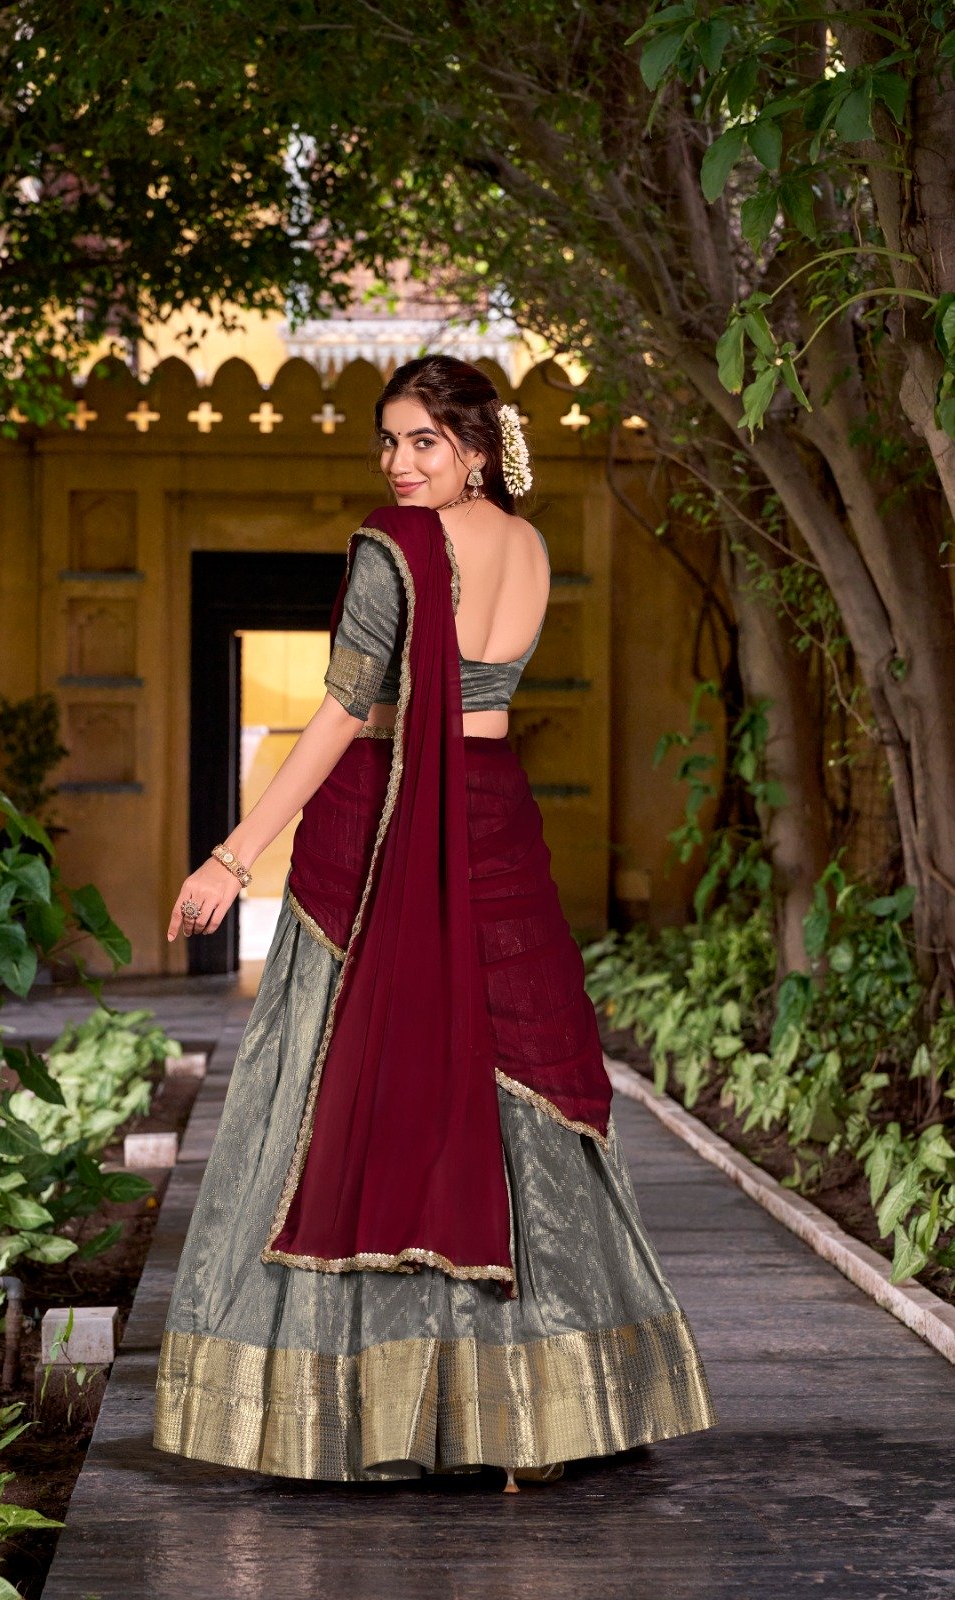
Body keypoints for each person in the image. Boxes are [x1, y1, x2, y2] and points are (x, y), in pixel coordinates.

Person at [152, 354, 718, 1490]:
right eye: (389, 442)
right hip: (492, 817)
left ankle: (350, 1407)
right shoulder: (531, 547)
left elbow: (341, 713)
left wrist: (233, 853)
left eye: (424, 441)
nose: (399, 464)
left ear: (476, 445)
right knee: (516, 1082)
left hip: (382, 828)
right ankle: (541, 1416)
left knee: (356, 1085)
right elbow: (475, 697)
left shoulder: (395, 546)